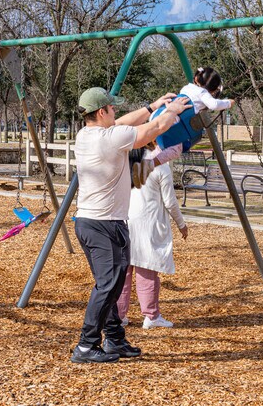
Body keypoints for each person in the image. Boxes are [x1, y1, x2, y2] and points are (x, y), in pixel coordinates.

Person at [71, 87, 191, 364]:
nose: (116, 113)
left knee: (110, 285)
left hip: (92, 223)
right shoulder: (112, 138)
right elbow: (153, 130)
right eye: (112, 109)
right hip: (104, 225)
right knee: (107, 286)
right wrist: (172, 111)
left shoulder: (86, 134)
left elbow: (124, 123)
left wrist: (152, 105)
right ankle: (87, 345)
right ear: (102, 112)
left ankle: (114, 339)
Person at [117, 143, 188, 329]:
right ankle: (151, 315)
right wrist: (181, 224)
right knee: (147, 271)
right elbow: (170, 202)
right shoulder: (159, 166)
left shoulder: (125, 162)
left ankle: (118, 315)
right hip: (148, 223)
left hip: (124, 220)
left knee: (123, 274)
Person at [132, 66, 235, 188]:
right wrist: (228, 103)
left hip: (158, 116)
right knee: (175, 149)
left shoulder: (187, 87)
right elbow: (213, 104)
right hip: (171, 125)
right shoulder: (203, 93)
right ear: (212, 89)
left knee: (162, 145)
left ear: (196, 78)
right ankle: (149, 165)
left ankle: (142, 165)